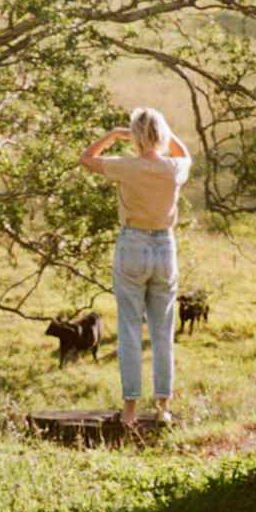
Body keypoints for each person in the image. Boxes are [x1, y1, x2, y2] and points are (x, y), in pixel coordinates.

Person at [80, 107, 191, 428]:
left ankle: (129, 410)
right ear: (162, 135)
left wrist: (114, 135)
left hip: (132, 246)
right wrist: (166, 135)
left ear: (135, 136)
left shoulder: (126, 166)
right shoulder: (174, 168)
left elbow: (87, 158)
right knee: (162, 331)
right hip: (165, 248)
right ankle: (163, 407)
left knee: (129, 329)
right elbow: (185, 154)